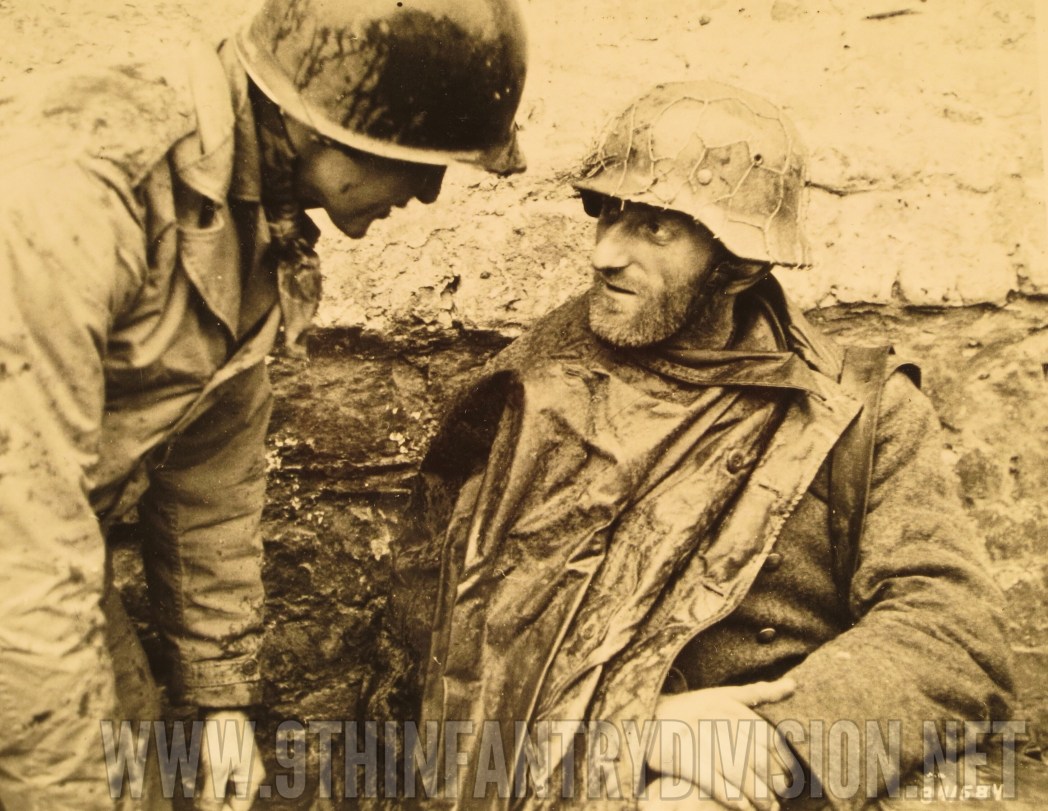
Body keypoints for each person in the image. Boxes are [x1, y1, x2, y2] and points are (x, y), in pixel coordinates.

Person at [402, 81, 1018, 809]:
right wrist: (635, 728)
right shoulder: (533, 395)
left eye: (657, 227)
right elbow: (451, 652)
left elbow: (952, 629)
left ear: (740, 261)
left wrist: (782, 741)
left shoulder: (861, 411)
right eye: (606, 213)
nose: (605, 252)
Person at [0, 0, 527, 807]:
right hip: (21, 556)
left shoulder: (257, 221)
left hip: (38, 556)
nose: (427, 194)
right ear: (324, 124)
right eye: (417, 159)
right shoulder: (80, 181)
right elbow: (21, 537)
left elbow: (210, 474)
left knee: (133, 772)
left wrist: (218, 698)